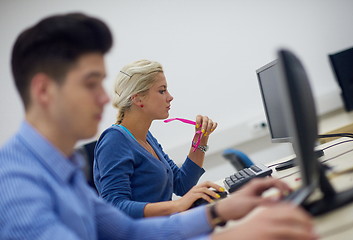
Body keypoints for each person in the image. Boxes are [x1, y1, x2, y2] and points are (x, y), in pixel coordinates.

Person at [0, 12, 317, 240]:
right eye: (90, 84)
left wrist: (219, 212)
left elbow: (128, 231)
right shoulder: (15, 182)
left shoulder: (63, 167)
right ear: (43, 91)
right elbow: (129, 209)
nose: (103, 98)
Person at [94, 59, 223, 218]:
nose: (170, 97)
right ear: (138, 99)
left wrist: (200, 140)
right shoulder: (114, 140)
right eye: (162, 91)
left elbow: (182, 184)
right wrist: (175, 205)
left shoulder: (146, 137)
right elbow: (116, 206)